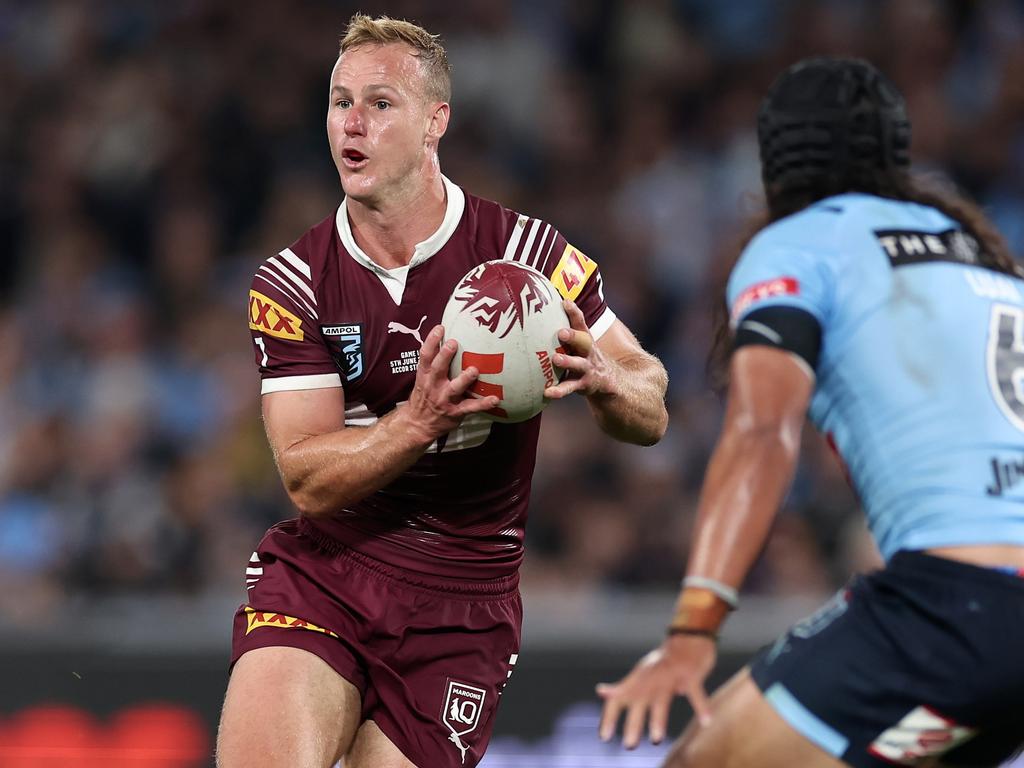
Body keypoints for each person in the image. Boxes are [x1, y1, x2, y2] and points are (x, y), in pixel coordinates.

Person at [216, 13, 668, 768]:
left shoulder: (526, 256)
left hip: (464, 604)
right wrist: (416, 421)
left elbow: (651, 405)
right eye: (339, 101)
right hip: (332, 570)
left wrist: (605, 381)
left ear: (436, 122)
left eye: (381, 103)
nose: (351, 123)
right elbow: (305, 476)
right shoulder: (293, 283)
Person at [598, 57, 1024, 768]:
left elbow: (764, 432)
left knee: (706, 759)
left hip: (955, 610)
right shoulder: (986, 258)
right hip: (985, 621)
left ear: (774, 166)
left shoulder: (798, 245)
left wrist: (694, 628)